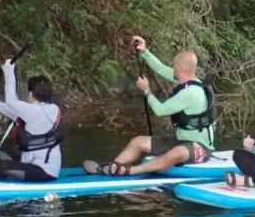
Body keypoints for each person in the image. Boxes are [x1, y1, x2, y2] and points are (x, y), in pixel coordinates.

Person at [83, 35, 215, 176]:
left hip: (200, 147)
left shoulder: (190, 93)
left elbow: (159, 110)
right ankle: (112, 167)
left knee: (176, 153)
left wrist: (146, 90)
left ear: (177, 68)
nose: (172, 68)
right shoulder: (190, 79)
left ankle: (131, 171)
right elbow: (160, 69)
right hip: (182, 140)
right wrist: (144, 51)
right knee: (137, 142)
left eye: (173, 66)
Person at [0, 59, 62, 182]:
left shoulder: (39, 112)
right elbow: (8, 110)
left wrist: (9, 72)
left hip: (44, 172)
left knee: (4, 166)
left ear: (31, 94)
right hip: (30, 163)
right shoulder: (42, 110)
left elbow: (11, 102)